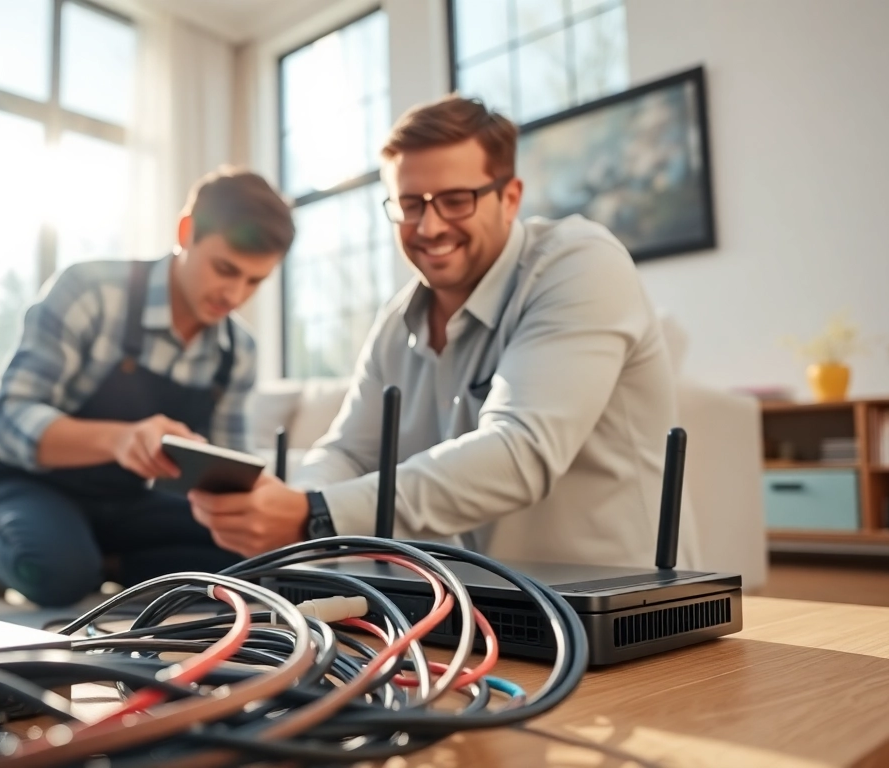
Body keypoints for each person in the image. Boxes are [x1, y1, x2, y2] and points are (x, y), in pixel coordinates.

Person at [188, 96, 700, 570]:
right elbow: (348, 452)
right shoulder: (397, 322)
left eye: (456, 200)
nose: (429, 227)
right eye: (410, 204)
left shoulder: (581, 263)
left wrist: (316, 514)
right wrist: (291, 502)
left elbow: (520, 450)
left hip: (615, 603)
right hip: (477, 608)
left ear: (510, 197)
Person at [0, 167, 294, 607]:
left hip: (133, 505)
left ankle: (107, 565)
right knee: (55, 572)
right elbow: (6, 416)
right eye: (225, 269)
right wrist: (120, 439)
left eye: (254, 281)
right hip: (35, 483)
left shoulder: (238, 351)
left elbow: (226, 472)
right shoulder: (90, 290)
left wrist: (259, 509)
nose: (234, 295)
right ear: (186, 232)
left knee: (247, 571)